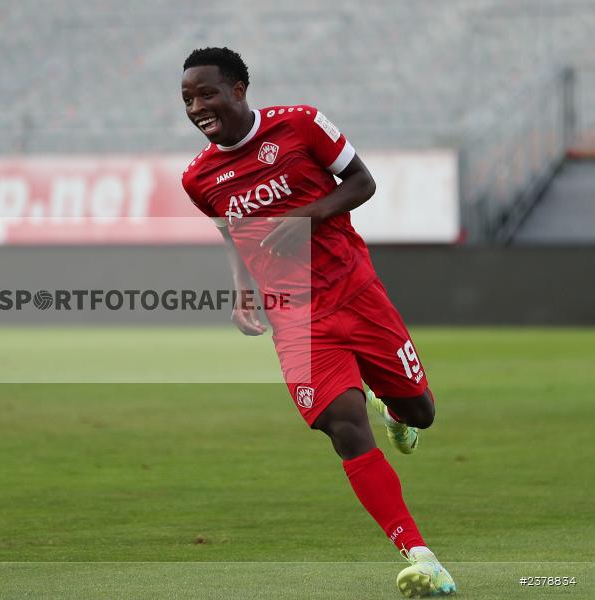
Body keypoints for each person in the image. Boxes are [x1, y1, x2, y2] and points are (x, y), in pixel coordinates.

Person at [180, 47, 456, 597]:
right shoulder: (198, 178)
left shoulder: (300, 125)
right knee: (344, 427)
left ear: (238, 89)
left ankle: (395, 410)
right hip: (297, 321)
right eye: (187, 99)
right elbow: (230, 234)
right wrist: (242, 292)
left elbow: (362, 182)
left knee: (421, 413)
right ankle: (421, 555)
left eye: (207, 93)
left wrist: (306, 215)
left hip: (357, 295)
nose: (197, 107)